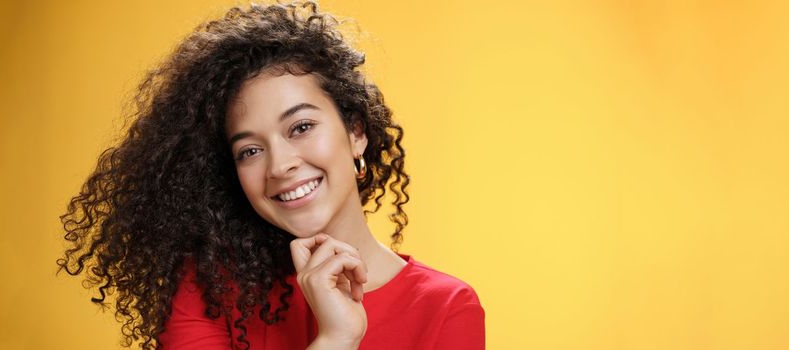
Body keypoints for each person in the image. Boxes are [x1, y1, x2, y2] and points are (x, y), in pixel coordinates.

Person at [56, 2, 484, 349]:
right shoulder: (206, 290)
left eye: (300, 127)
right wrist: (336, 340)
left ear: (356, 133)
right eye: (250, 150)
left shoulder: (446, 309)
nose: (279, 166)